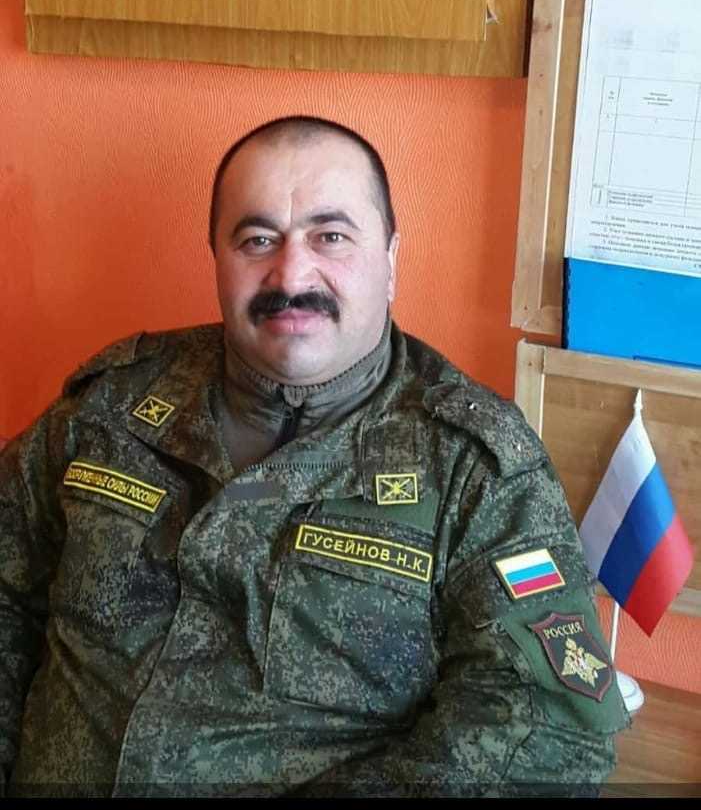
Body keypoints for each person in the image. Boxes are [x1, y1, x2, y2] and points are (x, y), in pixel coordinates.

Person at [0, 116, 629, 798]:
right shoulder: (113, 405)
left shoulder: (471, 465)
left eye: (330, 236)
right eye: (257, 239)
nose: (292, 273)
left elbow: (547, 731)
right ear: (217, 257)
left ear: (390, 258)